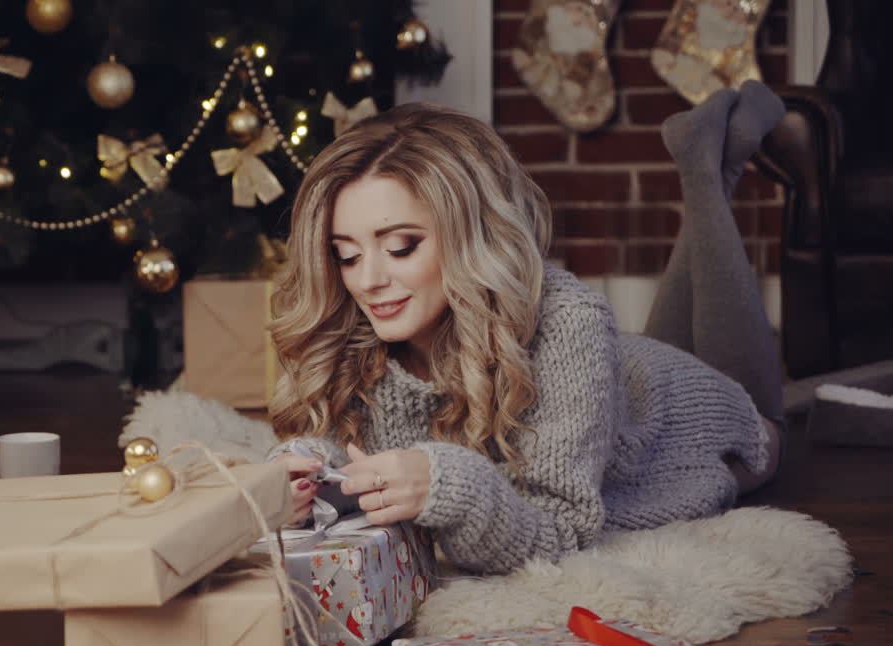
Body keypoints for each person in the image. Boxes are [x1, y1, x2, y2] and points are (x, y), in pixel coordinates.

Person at [267, 84, 787, 575]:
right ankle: (712, 163)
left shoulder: (571, 322)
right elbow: (334, 446)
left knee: (765, 407)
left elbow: (563, 534)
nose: (369, 280)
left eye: (401, 247)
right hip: (612, 386)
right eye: (346, 255)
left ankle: (708, 174)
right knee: (662, 333)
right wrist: (301, 471)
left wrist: (451, 488)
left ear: (470, 235)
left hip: (682, 418)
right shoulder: (350, 329)